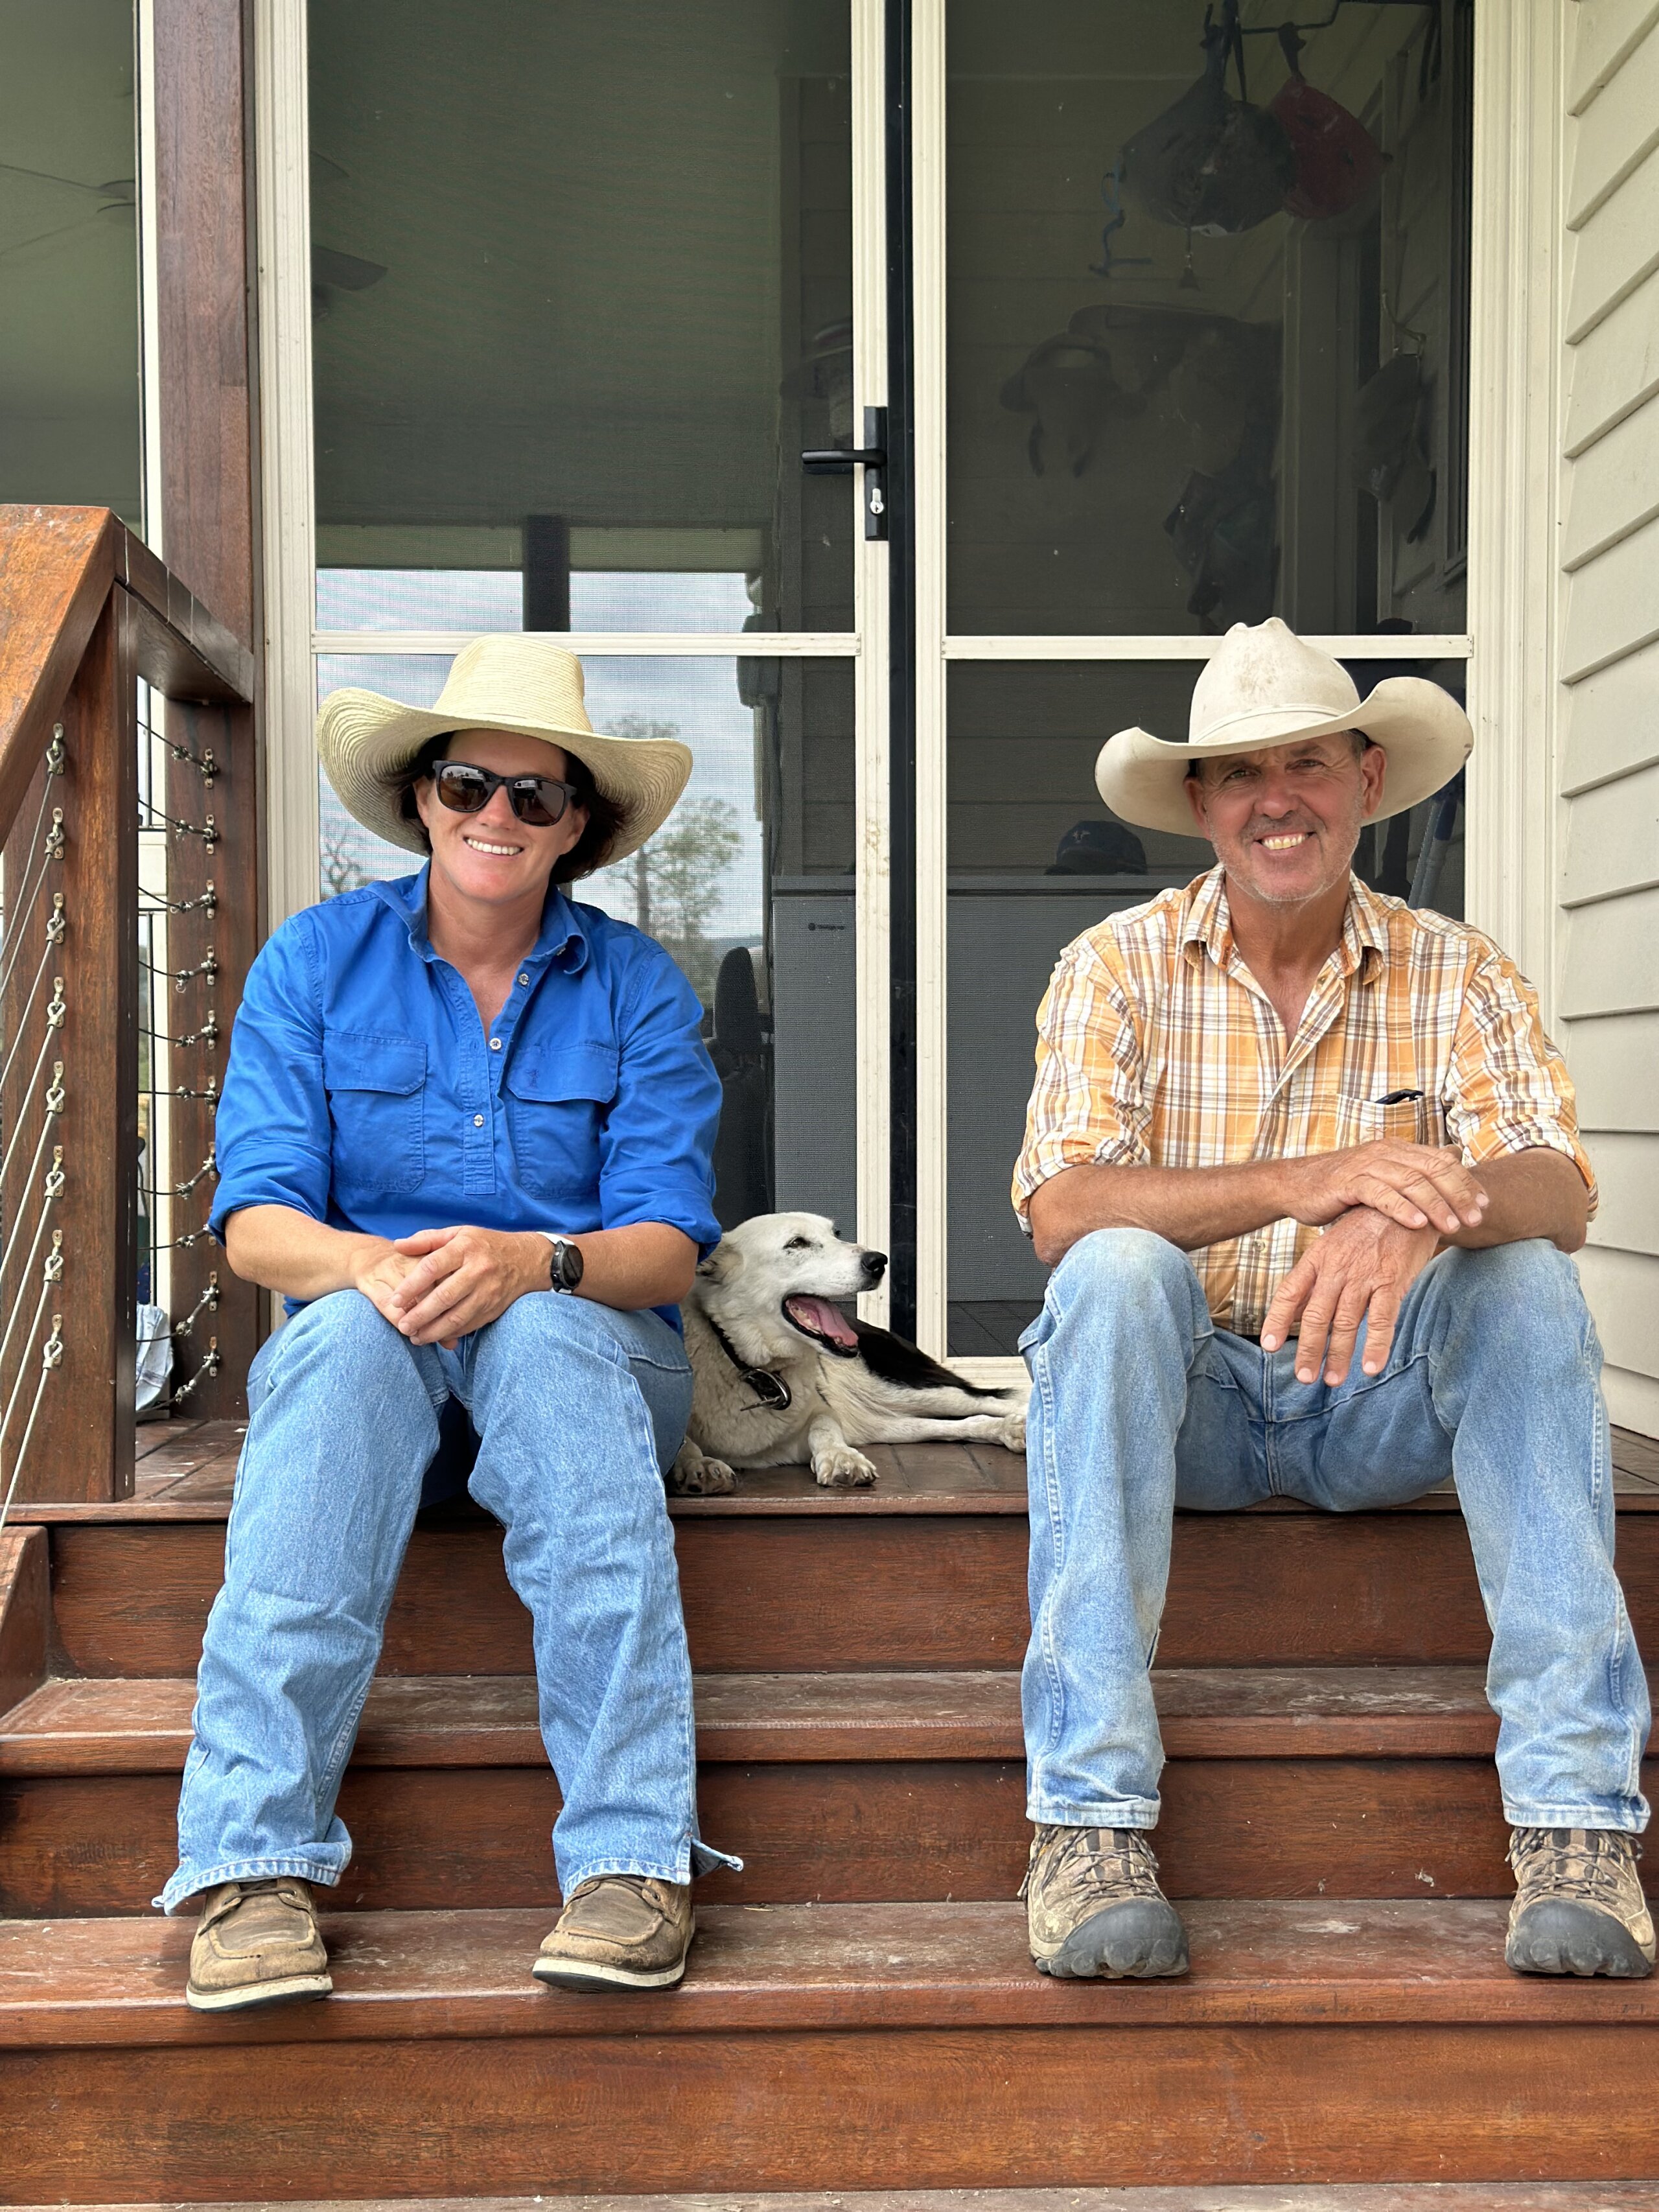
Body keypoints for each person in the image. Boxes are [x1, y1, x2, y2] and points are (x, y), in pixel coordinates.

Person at [1012, 618, 1653, 1985]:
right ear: (1199, 804)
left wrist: (1416, 1209)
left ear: (1364, 777)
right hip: (1187, 1402)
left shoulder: (1456, 968)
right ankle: (1085, 1822)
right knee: (1114, 1269)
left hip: (1365, 1400)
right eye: (1238, 774)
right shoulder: (1112, 965)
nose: (1273, 800)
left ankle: (1573, 1822)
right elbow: (1059, 1208)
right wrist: (1320, 1178)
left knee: (1523, 1276)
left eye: (1303, 762)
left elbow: (1558, 1181)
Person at [160, 634, 736, 2012]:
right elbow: (256, 1225)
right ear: (422, 796)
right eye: (469, 783)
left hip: (586, 1354)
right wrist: (380, 1274)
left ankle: (629, 1862)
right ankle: (249, 1865)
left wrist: (531, 1262)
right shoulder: (314, 962)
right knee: (350, 1340)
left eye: (537, 797)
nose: (498, 816)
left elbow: (664, 1251)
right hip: (373, 1368)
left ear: (577, 827)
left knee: (537, 1339)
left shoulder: (636, 985)